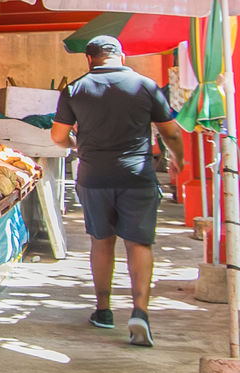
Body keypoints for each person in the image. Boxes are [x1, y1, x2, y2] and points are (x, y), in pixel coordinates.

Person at [51, 35, 187, 346]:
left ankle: (103, 310)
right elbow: (171, 132)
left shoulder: (74, 89)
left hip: (94, 176)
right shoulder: (146, 86)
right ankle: (140, 312)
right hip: (137, 175)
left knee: (101, 242)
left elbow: (58, 137)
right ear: (121, 57)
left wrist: (77, 145)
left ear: (89, 59)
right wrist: (178, 159)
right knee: (139, 243)